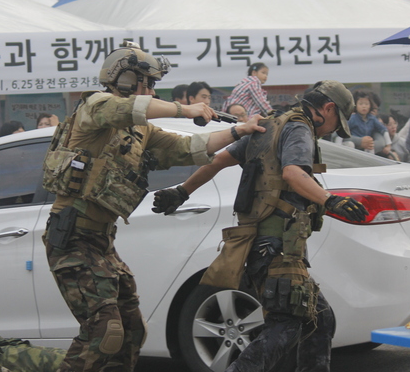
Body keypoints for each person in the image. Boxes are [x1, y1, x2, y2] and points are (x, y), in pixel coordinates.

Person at [41, 41, 264, 372]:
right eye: (148, 82)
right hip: (72, 237)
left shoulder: (141, 130)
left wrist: (238, 130)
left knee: (132, 330)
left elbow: (190, 147)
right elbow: (126, 108)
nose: (152, 90)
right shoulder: (95, 107)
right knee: (105, 331)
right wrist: (184, 109)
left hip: (102, 241)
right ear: (128, 80)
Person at [151, 80, 368, 372]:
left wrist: (182, 191)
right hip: (277, 246)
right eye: (335, 123)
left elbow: (219, 161)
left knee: (319, 318)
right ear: (328, 108)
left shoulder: (270, 126)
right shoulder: (299, 129)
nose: (331, 130)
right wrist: (331, 201)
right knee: (287, 324)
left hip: (264, 245)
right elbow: (292, 173)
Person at [347, 91, 392, 156]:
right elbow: (342, 132)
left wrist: (388, 145)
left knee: (371, 147)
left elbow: (383, 129)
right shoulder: (352, 118)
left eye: (366, 104)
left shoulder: (372, 118)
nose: (364, 106)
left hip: (368, 147)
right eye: (361, 104)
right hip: (354, 146)